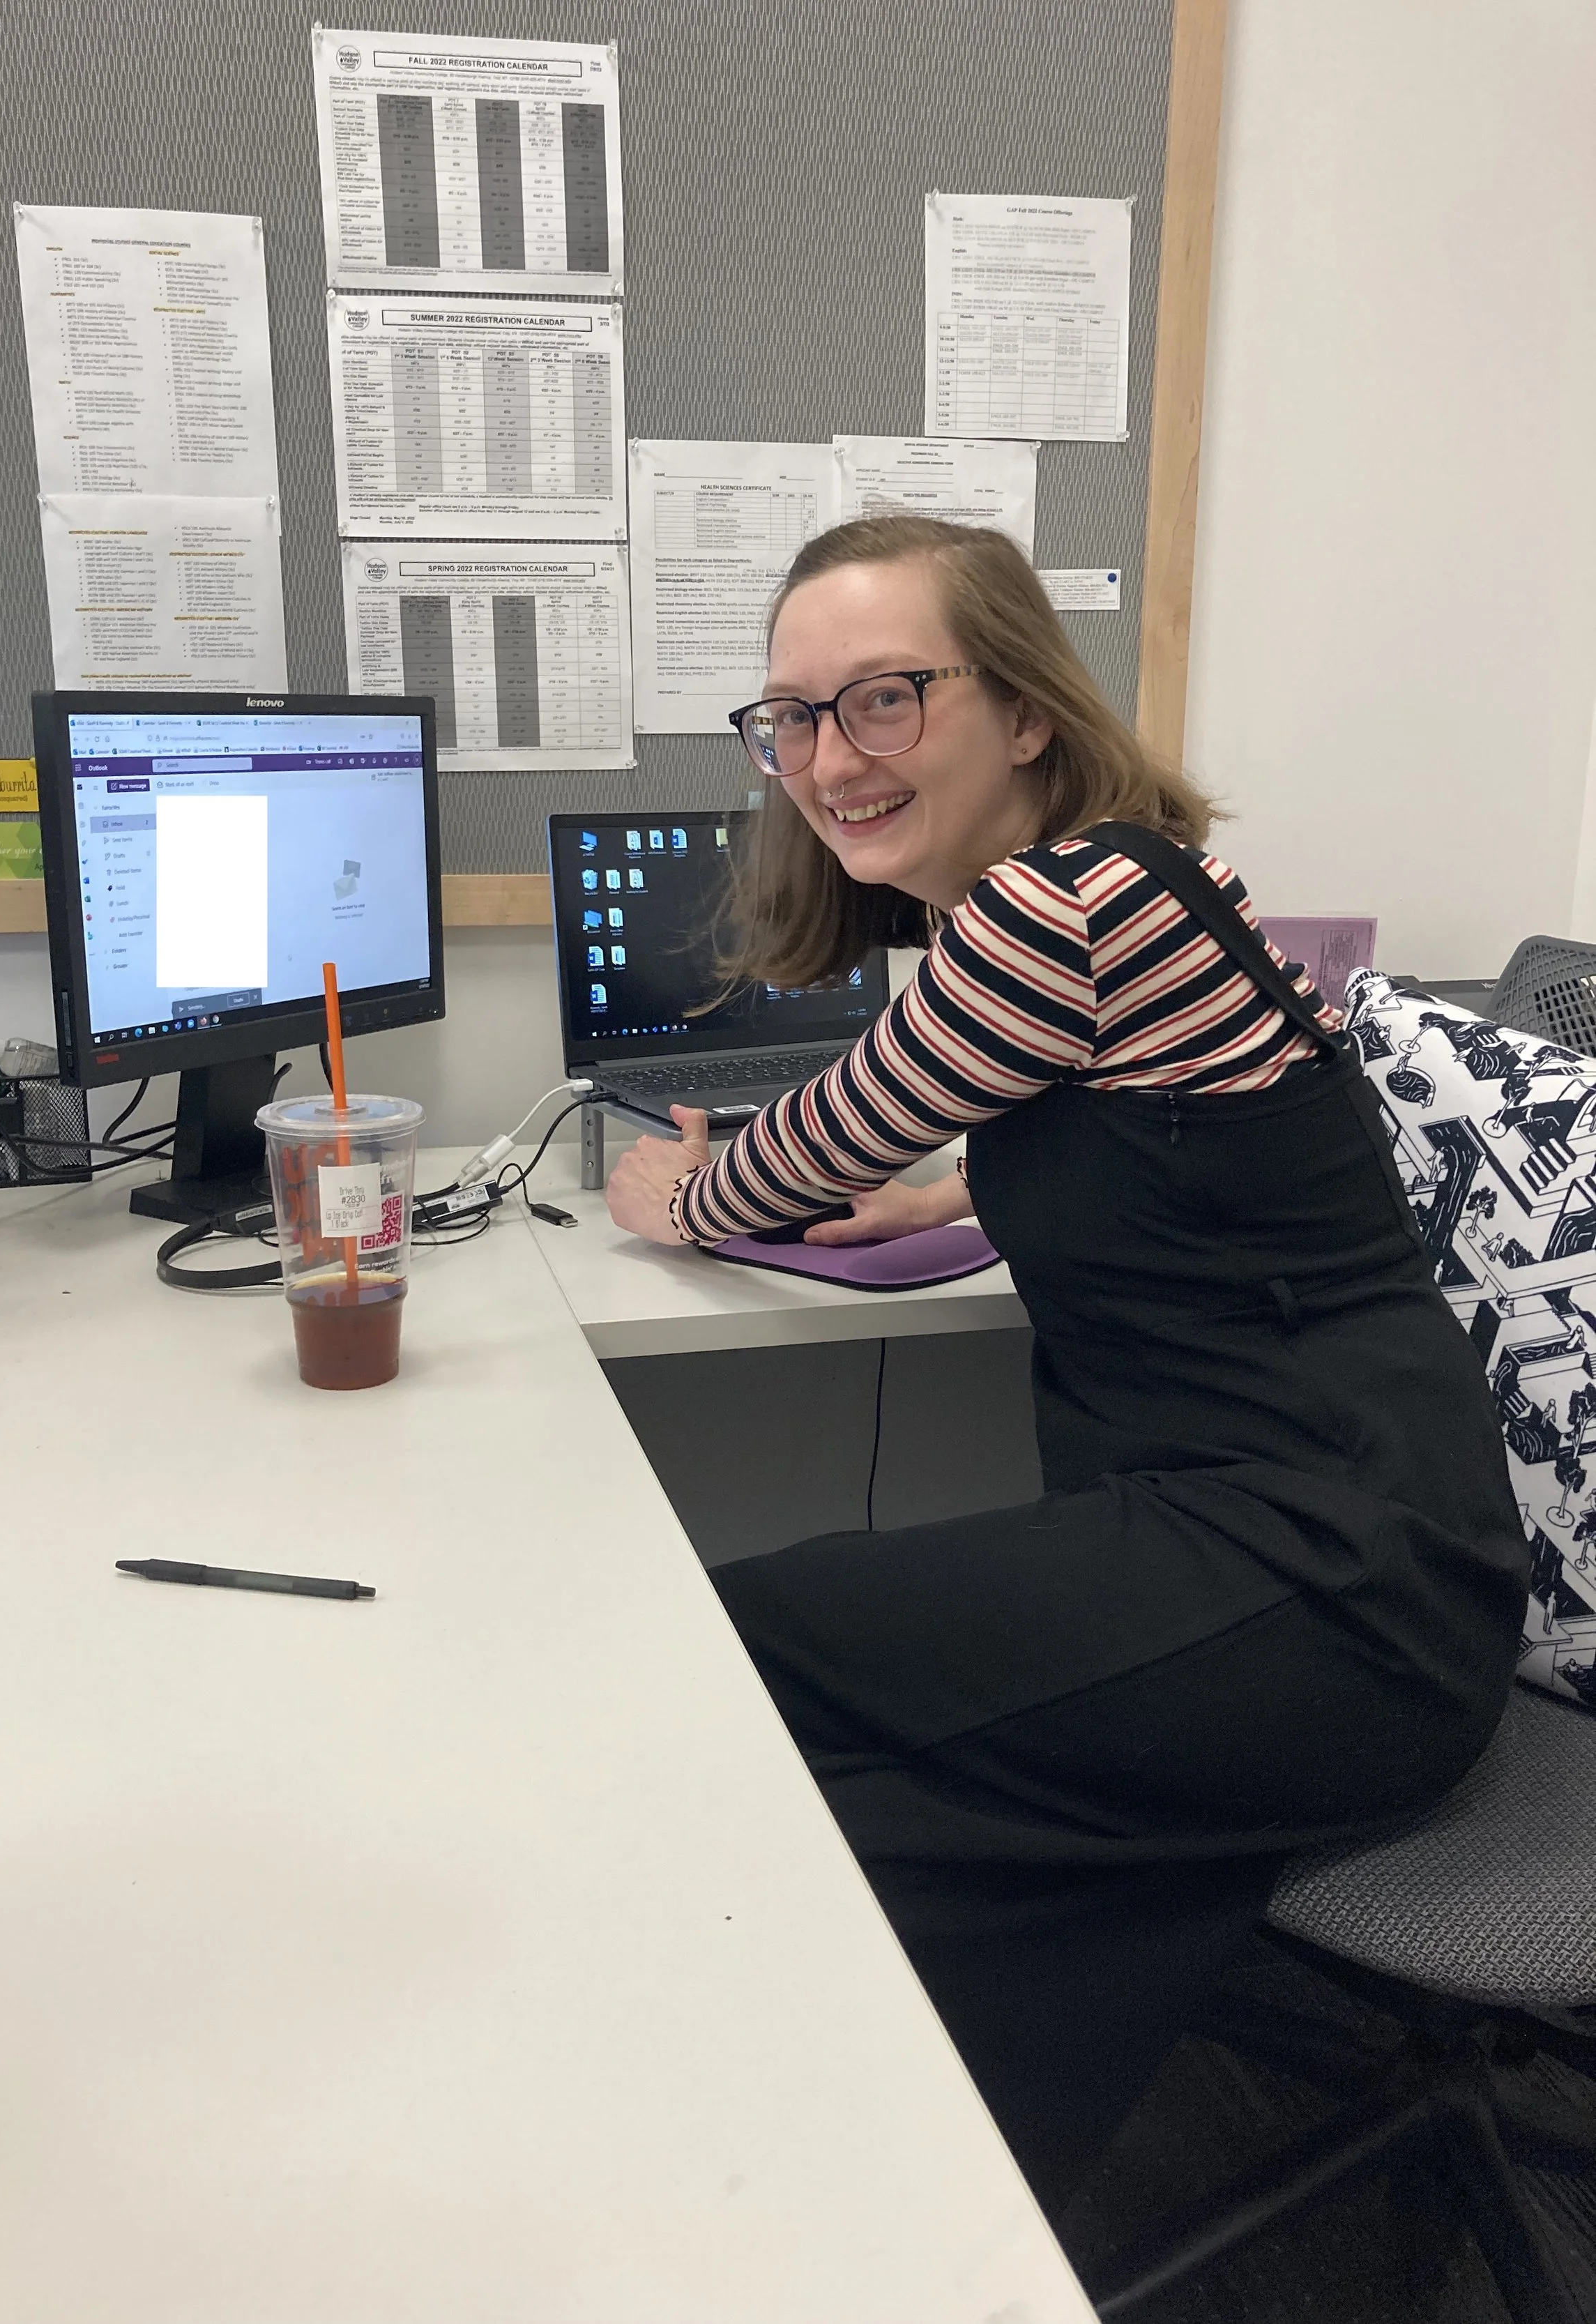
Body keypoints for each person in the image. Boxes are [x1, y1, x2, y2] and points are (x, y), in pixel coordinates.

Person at [605, 515, 1527, 2214]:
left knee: (724, 1649)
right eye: (791, 717)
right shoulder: (1140, 885)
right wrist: (943, 1182)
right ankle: (937, 2167)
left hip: (1334, 1583)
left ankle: (872, 2170)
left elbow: (780, 1167)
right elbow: (1159, 1133)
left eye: (882, 699)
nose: (826, 756)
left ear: (1023, 709)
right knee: (905, 1719)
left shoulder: (1053, 906)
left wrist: (671, 1185)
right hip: (1354, 1549)